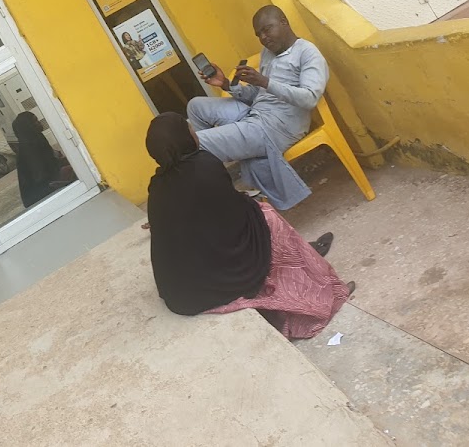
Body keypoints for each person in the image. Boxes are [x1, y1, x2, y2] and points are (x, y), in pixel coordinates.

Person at [144, 113, 351, 339]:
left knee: (252, 217)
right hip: (216, 281)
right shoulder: (204, 165)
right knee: (267, 218)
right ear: (182, 138)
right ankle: (320, 292)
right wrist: (250, 203)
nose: (194, 132)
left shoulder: (157, 185)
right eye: (189, 129)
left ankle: (301, 257)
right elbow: (235, 217)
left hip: (180, 291)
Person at [187, 5, 328, 211]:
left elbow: (310, 98)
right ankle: (213, 171)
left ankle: (211, 194)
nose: (263, 38)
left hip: (279, 126)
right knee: (196, 106)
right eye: (259, 34)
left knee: (193, 142)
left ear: (284, 22)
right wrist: (226, 84)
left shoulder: (307, 53)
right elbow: (259, 95)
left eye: (267, 29)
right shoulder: (268, 53)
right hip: (256, 114)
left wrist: (265, 81)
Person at [12, 112, 71, 208]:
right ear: (29, 127)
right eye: (35, 121)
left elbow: (50, 161)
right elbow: (41, 176)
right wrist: (61, 170)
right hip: (39, 194)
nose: (39, 123)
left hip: (48, 182)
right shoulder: (28, 149)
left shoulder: (37, 137)